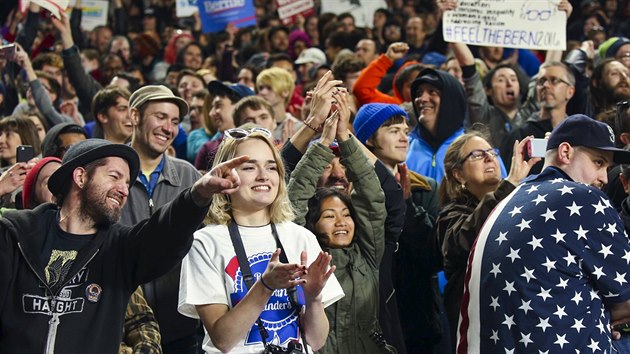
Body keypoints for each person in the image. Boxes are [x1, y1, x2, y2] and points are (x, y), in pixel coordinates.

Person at [0, 136, 245, 353]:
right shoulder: (16, 234)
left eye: (127, 182)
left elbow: (165, 233)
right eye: (114, 177)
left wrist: (197, 195)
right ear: (81, 176)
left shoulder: (121, 249)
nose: (124, 190)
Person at [458, 115, 630, 353]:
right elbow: (626, 303)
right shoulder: (583, 198)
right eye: (598, 163)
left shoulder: (509, 199)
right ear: (566, 152)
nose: (603, 178)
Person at [178, 127, 343, 353]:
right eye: (249, 167)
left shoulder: (300, 236)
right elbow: (223, 339)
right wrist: (265, 286)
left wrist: (313, 298)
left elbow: (315, 341)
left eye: (271, 167)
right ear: (225, 177)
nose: (263, 175)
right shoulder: (205, 243)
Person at [287, 87, 395, 353]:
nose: (341, 222)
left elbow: (372, 196)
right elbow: (294, 199)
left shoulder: (368, 253)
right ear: (312, 224)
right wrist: (323, 142)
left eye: (346, 215)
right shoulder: (305, 256)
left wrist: (345, 135)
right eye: (329, 216)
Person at [19, 156, 162, 353]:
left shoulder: (112, 251)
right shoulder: (17, 247)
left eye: (127, 182)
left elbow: (141, 321)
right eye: (50, 180)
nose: (62, 184)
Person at [435, 132, 538, 352]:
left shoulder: (519, 204)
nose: (490, 158)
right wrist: (509, 184)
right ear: (458, 174)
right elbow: (462, 242)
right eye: (477, 155)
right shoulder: (450, 216)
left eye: (492, 153)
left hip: (520, 323)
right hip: (481, 332)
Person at [353, 103, 442, 353]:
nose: (404, 138)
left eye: (405, 130)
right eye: (393, 131)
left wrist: (407, 206)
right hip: (369, 315)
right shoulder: (349, 192)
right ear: (368, 139)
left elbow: (433, 255)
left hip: (418, 318)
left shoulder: (426, 187)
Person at [121, 85, 201, 354]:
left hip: (183, 326)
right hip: (123, 328)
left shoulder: (189, 176)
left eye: (175, 121)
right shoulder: (110, 172)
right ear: (134, 116)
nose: (168, 128)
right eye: (160, 117)